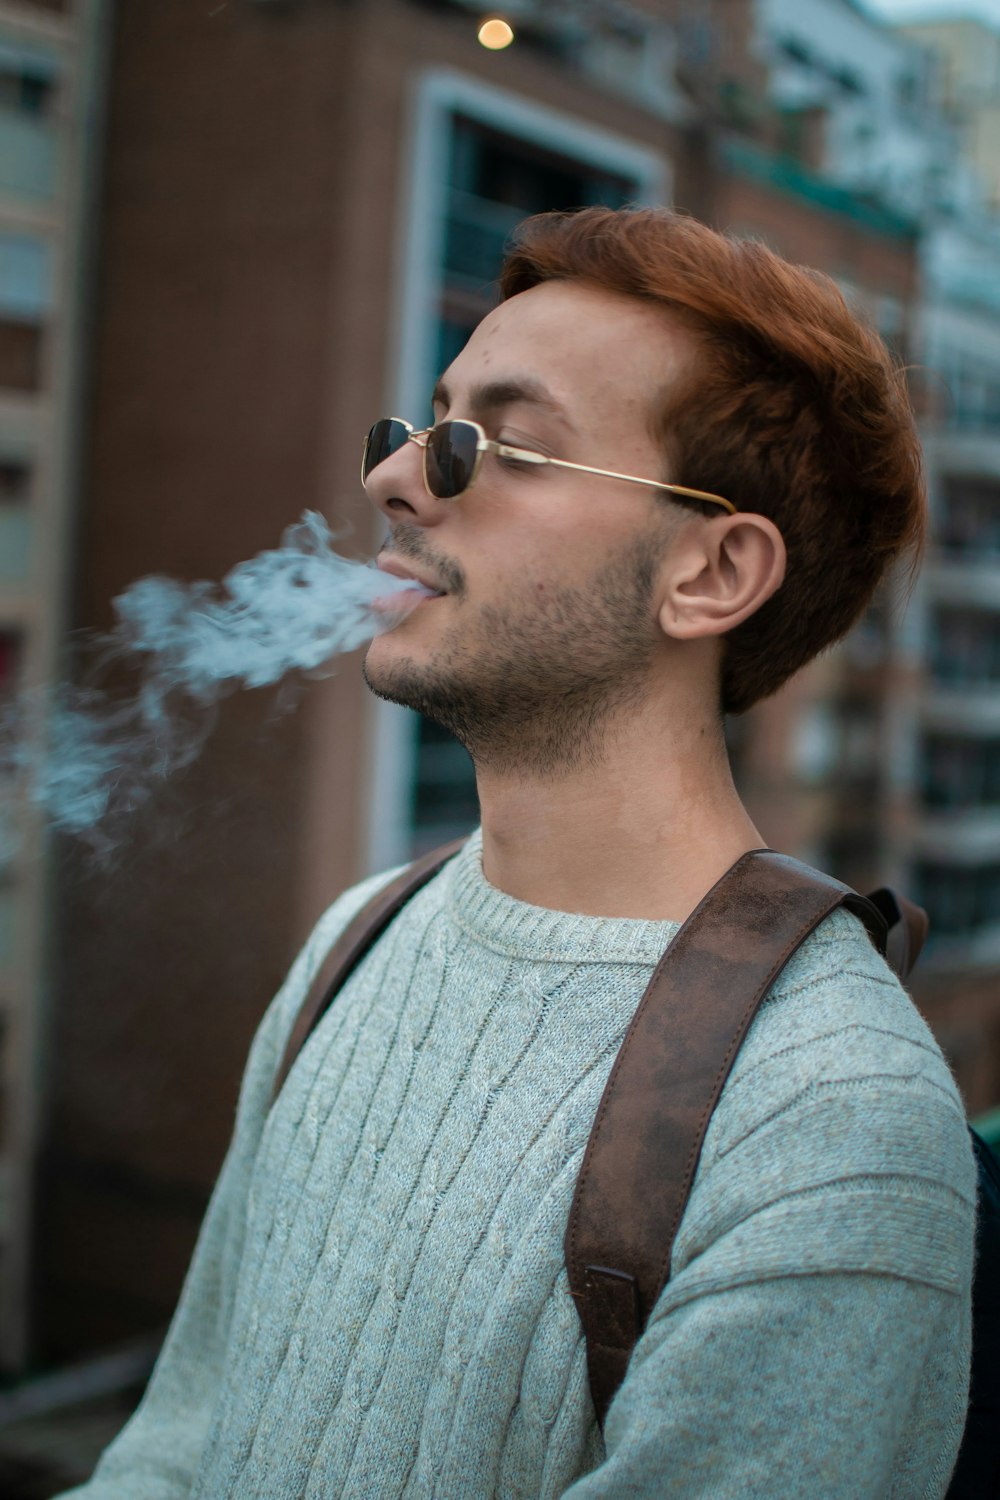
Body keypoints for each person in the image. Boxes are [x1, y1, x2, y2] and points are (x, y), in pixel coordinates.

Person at [64, 207, 976, 1499]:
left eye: (496, 446)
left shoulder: (830, 1117)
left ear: (711, 574)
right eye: (425, 428)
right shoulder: (357, 939)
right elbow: (177, 1443)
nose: (395, 480)